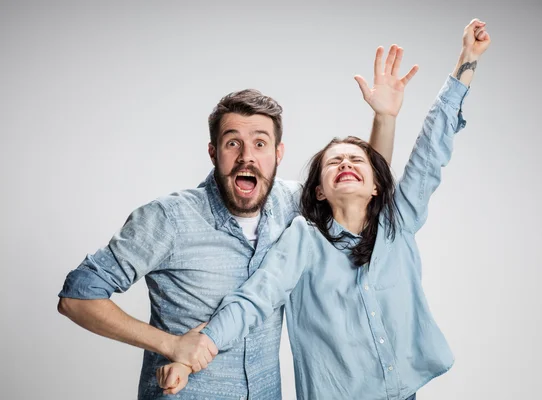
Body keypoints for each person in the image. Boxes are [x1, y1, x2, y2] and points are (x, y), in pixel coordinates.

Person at [57, 42, 419, 398]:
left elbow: (360, 196)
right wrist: (171, 345)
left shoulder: (293, 205)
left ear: (278, 153)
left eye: (260, 144)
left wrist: (384, 118)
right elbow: (77, 297)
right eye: (233, 143)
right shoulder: (168, 219)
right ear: (214, 152)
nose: (247, 157)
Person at [155, 19, 490, 400]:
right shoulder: (304, 240)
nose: (346, 164)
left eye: (355, 159)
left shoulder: (399, 221)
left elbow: (432, 150)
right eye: (334, 162)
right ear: (318, 191)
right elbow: (254, 299)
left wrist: (467, 61)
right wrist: (188, 357)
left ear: (376, 183)